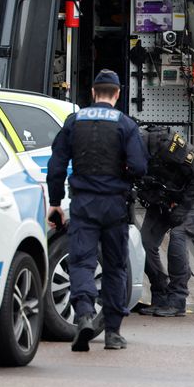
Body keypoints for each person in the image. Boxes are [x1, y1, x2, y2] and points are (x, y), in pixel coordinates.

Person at [47, 69, 147, 351]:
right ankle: (113, 333)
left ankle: (84, 316)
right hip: (115, 204)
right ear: (116, 94)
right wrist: (124, 177)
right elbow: (139, 166)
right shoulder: (125, 124)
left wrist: (55, 203)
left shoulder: (74, 121)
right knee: (115, 266)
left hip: (83, 203)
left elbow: (56, 166)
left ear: (93, 92)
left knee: (82, 262)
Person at [137, 126, 194, 317]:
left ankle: (177, 299)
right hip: (163, 195)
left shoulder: (166, 144)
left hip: (192, 194)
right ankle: (160, 294)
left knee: (178, 237)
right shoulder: (125, 151)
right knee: (145, 242)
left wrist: (184, 207)